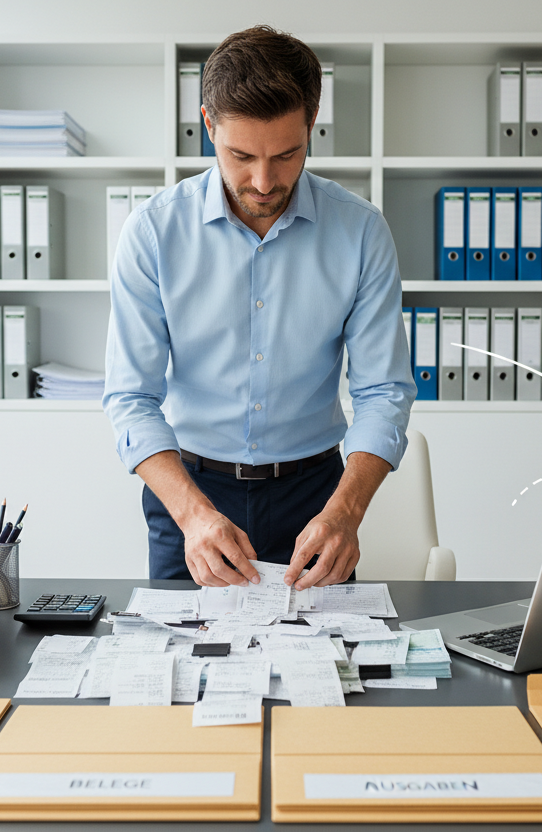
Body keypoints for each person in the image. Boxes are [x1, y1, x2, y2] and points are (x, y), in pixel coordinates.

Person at [103, 25, 414, 591]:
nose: (264, 181)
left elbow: (383, 392)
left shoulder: (361, 232)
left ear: (312, 122)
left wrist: (346, 512)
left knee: (327, 673)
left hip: (316, 498)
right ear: (208, 125)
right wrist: (194, 515)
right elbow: (131, 398)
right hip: (190, 497)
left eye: (287, 154)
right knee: (186, 671)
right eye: (240, 155)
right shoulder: (153, 232)